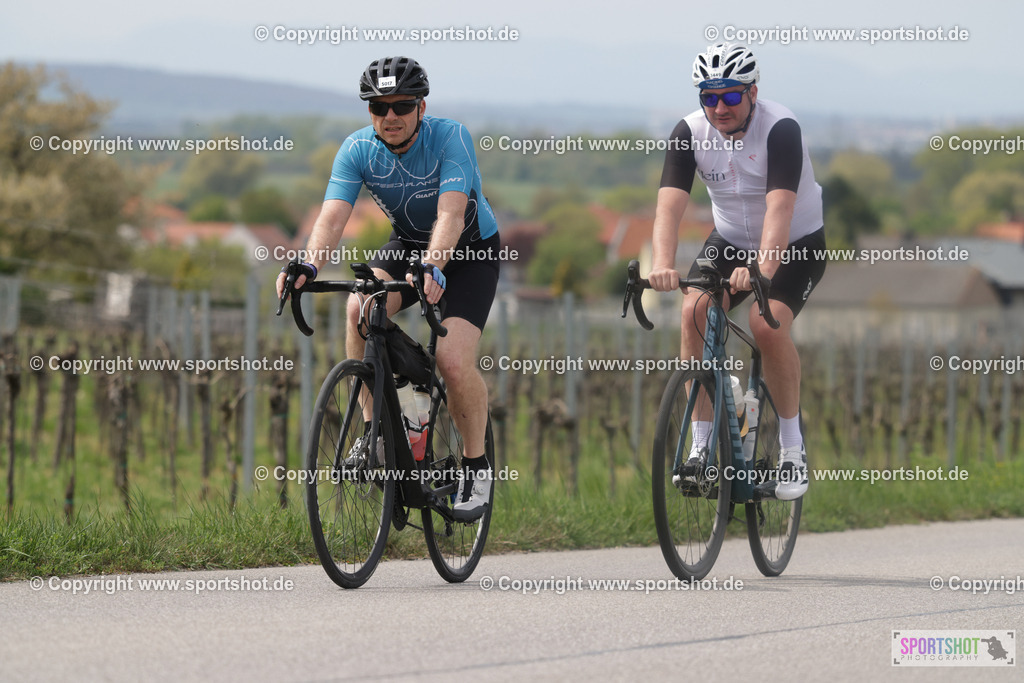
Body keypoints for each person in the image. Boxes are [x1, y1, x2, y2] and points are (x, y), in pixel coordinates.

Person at [276, 56, 500, 519]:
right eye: (379, 107)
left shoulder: (450, 136)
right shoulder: (357, 149)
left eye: (402, 105)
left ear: (422, 106)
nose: (390, 116)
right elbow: (332, 218)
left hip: (468, 254)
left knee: (453, 361)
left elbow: (451, 216)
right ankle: (374, 433)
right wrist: (308, 265)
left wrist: (434, 265)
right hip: (409, 246)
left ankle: (476, 467)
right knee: (360, 307)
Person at [646, 43, 827, 500]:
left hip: (795, 242)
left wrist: (763, 270)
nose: (719, 107)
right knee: (695, 312)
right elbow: (669, 208)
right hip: (729, 239)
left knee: (765, 325)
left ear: (752, 92)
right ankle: (700, 448)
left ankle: (791, 448)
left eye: (729, 96)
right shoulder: (689, 133)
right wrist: (663, 265)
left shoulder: (780, 128)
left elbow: (780, 208)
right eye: (709, 96)